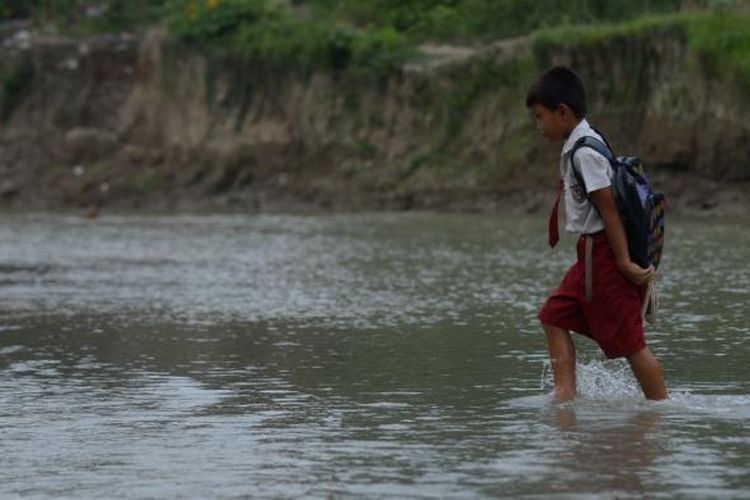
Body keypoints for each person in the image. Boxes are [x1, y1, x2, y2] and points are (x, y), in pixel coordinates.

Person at [525, 66, 668, 401]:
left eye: (540, 116)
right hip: (588, 256)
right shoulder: (585, 140)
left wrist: (623, 264)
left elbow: (609, 211)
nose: (538, 125)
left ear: (563, 112)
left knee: (632, 344)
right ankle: (565, 396)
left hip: (604, 257)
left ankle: (662, 410)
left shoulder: (585, 152)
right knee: (553, 316)